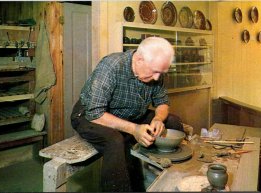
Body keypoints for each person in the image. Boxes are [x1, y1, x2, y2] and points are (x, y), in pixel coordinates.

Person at [71, 37, 184, 192]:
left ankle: (171, 182)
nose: (157, 78)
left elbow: (162, 103)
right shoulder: (111, 66)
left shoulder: (154, 71)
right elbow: (95, 113)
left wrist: (158, 119)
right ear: (139, 59)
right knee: (115, 140)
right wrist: (133, 129)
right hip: (90, 115)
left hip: (129, 113)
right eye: (155, 72)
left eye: (161, 72)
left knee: (172, 121)